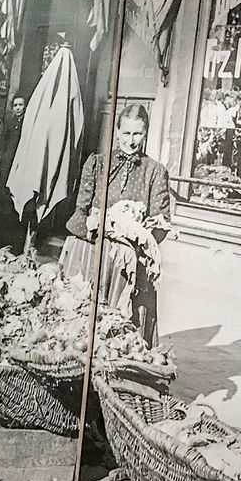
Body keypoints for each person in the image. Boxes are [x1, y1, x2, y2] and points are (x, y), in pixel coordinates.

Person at [63, 103, 170, 343]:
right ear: (117, 131)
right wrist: (98, 227)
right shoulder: (98, 164)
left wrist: (133, 234)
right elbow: (78, 214)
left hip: (129, 267)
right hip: (93, 258)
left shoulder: (155, 172)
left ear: (145, 134)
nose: (131, 141)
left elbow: (161, 225)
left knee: (120, 340)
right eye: (126, 133)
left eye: (138, 134)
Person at [0, 95, 25, 184]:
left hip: (21, 157)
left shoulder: (27, 123)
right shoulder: (9, 123)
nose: (17, 108)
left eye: (20, 105)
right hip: (9, 158)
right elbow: (3, 143)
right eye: (15, 105)